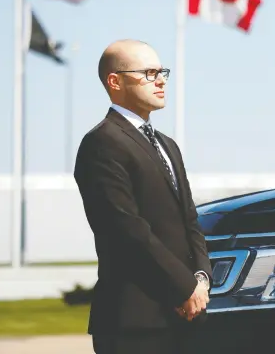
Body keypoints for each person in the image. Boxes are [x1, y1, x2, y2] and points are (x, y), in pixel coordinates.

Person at [74, 39, 212, 354]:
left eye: (162, 71)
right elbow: (127, 229)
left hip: (186, 316)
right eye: (149, 73)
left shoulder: (168, 145)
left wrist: (201, 279)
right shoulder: (102, 143)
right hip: (135, 323)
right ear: (115, 81)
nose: (161, 80)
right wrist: (184, 288)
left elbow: (189, 219)